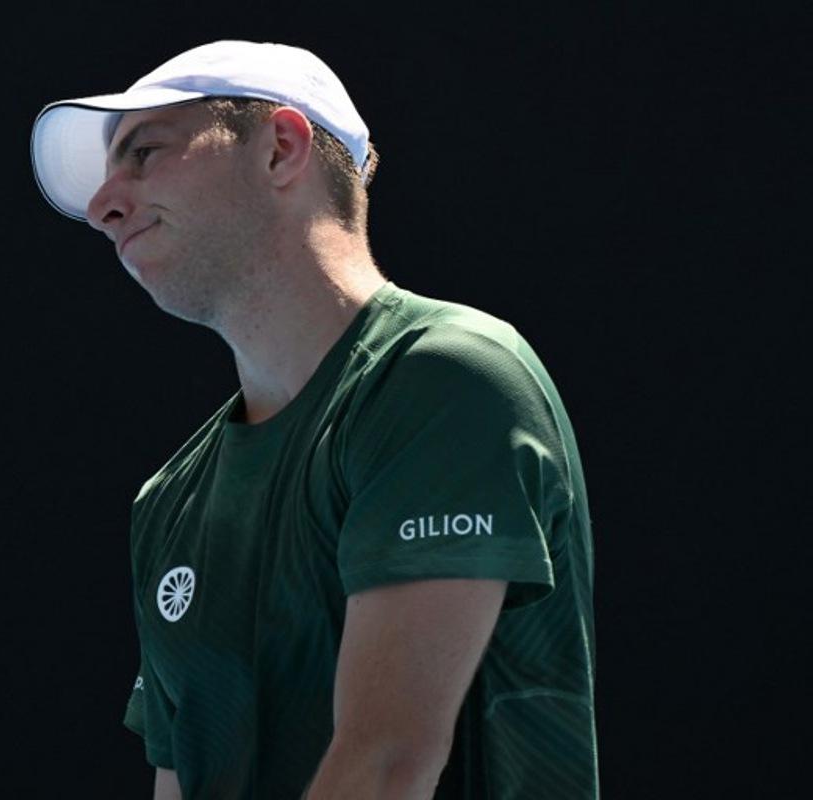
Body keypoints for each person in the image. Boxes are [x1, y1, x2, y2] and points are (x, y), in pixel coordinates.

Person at [30, 40, 598, 800]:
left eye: (145, 152)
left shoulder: (447, 377)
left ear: (281, 150)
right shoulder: (167, 503)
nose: (104, 207)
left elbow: (386, 766)